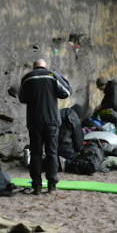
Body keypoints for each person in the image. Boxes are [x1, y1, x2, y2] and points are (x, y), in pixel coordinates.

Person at [18, 59, 72, 195]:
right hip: (52, 121)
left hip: (34, 121)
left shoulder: (28, 78)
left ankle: (36, 186)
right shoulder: (52, 76)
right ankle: (52, 185)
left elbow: (21, 98)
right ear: (45, 66)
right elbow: (66, 92)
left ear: (33, 66)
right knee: (52, 153)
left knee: (36, 154)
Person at [58, 103, 84, 169]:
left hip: (52, 147)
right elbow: (78, 142)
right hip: (66, 149)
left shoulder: (58, 113)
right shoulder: (74, 119)